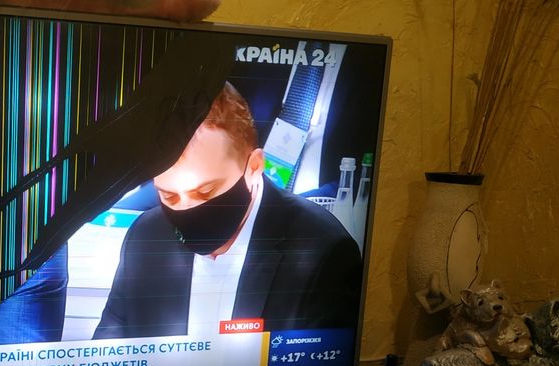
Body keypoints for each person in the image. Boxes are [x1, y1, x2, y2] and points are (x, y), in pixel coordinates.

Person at [93, 82, 362, 339]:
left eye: (205, 191)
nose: (186, 209)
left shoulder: (322, 253)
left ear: (254, 167)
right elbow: (112, 339)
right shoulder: (146, 237)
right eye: (169, 195)